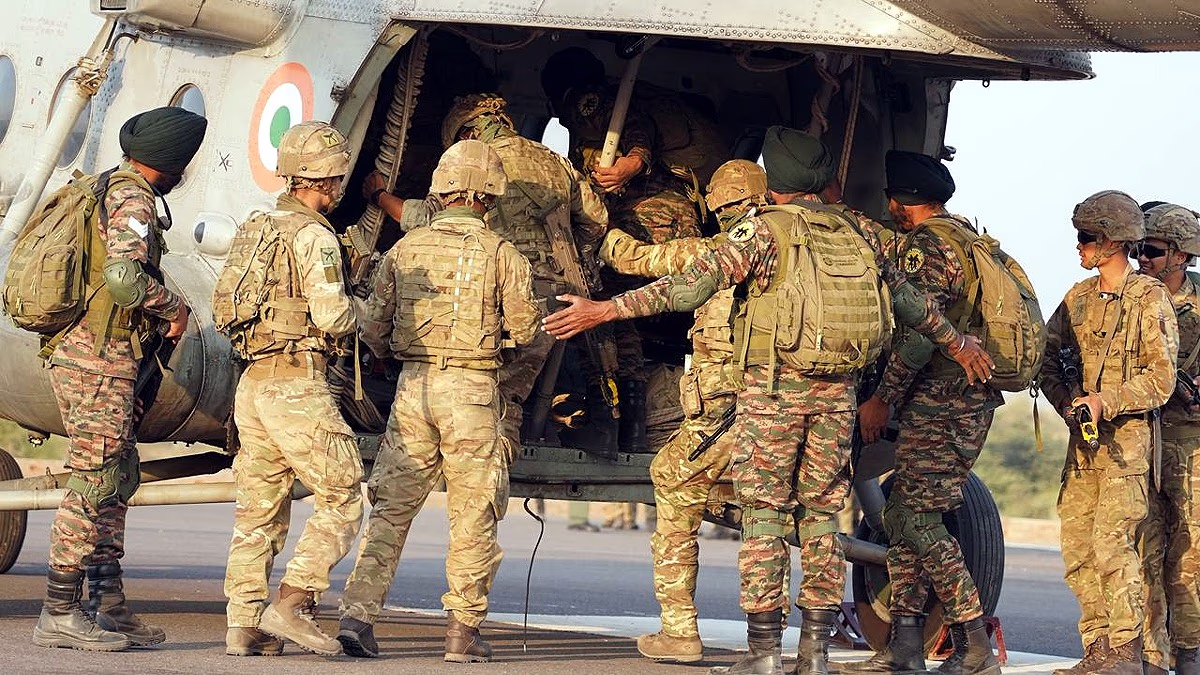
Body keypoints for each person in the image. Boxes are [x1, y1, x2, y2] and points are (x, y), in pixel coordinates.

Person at [543, 126, 994, 675]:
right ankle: (816, 653)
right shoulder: (862, 233)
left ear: (775, 183)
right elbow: (909, 302)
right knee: (824, 518)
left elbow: (686, 288)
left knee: (765, 519)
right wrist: (958, 342)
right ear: (820, 179)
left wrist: (603, 311)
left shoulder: (761, 234)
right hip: (838, 397)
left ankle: (761, 654)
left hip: (773, 394)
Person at [338, 140, 541, 662]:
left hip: (413, 390)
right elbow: (526, 329)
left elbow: (373, 328)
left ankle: (358, 616)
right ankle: (461, 633)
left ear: (442, 188)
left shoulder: (405, 249)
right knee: (473, 514)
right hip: (473, 392)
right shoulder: (503, 255)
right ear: (488, 195)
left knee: (390, 510)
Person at [32, 106, 205, 652]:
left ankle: (106, 603)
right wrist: (173, 308)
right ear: (172, 164)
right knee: (92, 480)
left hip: (102, 355)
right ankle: (59, 610)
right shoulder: (133, 199)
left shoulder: (107, 186)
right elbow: (123, 275)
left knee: (114, 476)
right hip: (97, 359)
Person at [366, 93, 607, 460]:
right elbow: (596, 220)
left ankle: (478, 473)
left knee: (483, 398)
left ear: (466, 135)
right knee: (512, 397)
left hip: (489, 292)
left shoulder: (470, 168)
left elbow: (426, 219)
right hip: (554, 299)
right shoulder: (555, 160)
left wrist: (379, 195)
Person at [600, 158, 767, 663]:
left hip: (730, 412)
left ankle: (680, 631)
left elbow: (632, 258)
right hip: (799, 407)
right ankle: (806, 642)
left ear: (717, 205)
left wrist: (591, 219)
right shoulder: (805, 250)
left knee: (671, 477)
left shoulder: (713, 251)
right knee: (794, 513)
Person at [848, 152, 1003, 675]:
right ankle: (906, 644)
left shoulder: (928, 247)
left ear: (901, 202)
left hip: (944, 398)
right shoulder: (969, 239)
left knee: (915, 519)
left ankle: (974, 643)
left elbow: (921, 330)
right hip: (962, 398)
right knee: (904, 517)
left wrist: (882, 397)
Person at [218, 121, 364, 657]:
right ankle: (293, 604)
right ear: (329, 180)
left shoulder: (260, 225)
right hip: (296, 386)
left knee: (258, 510)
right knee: (344, 493)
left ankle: (243, 624)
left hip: (253, 384)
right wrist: (368, 311)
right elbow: (333, 315)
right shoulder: (315, 235)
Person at [542, 47, 731, 452]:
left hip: (646, 219)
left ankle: (612, 422)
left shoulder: (587, 101)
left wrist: (631, 162)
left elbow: (634, 129)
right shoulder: (627, 97)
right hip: (678, 220)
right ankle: (629, 426)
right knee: (619, 307)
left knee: (600, 307)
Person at [1038, 190, 1178, 675]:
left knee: (1112, 545)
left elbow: (1161, 379)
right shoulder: (1076, 298)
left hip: (1129, 449)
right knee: (1077, 547)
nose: (1079, 248)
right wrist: (1070, 405)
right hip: (1085, 450)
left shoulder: (1149, 298)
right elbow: (1045, 359)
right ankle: (1097, 648)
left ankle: (1126, 651)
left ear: (1112, 242)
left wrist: (1106, 401)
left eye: (1086, 238)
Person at [1135, 204, 1200, 675]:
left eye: (1152, 251)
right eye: (1138, 249)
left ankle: (1189, 651)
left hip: (1191, 445)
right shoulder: (1132, 300)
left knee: (1190, 553)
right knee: (1143, 550)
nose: (1142, 259)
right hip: (1140, 440)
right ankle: (1152, 655)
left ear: (1180, 256)